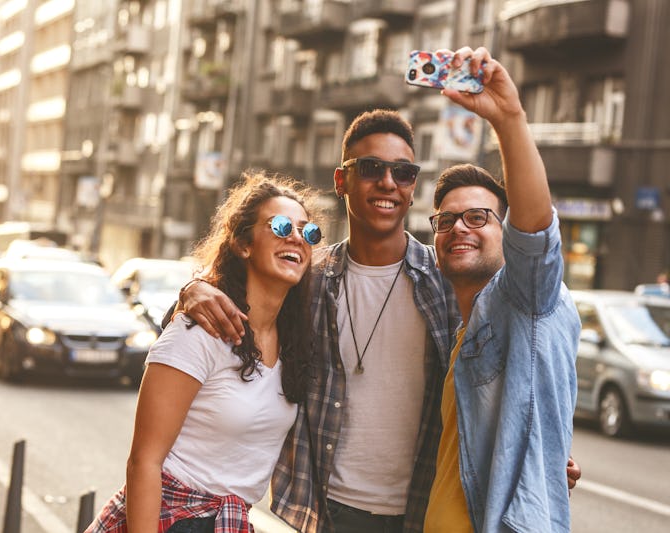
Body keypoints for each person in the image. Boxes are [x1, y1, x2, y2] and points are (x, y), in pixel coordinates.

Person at [178, 48, 580, 533]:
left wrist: (535, 448)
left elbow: (512, 356)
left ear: (412, 187)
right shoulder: (309, 280)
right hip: (318, 512)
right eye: (370, 168)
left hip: (418, 511)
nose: (388, 182)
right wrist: (195, 291)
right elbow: (230, 307)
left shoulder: (447, 280)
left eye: (404, 173)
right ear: (341, 180)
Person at [86, 171, 322, 533]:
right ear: (243, 245)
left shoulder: (294, 342)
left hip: (227, 521)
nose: (296, 237)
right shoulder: (199, 332)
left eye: (308, 232)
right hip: (166, 519)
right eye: (279, 226)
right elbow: (143, 462)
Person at [421, 48, 579, 533]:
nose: (459, 228)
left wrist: (508, 118)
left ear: (505, 231)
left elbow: (535, 234)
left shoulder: (523, 297)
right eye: (445, 220)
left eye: (478, 217)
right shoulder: (464, 330)